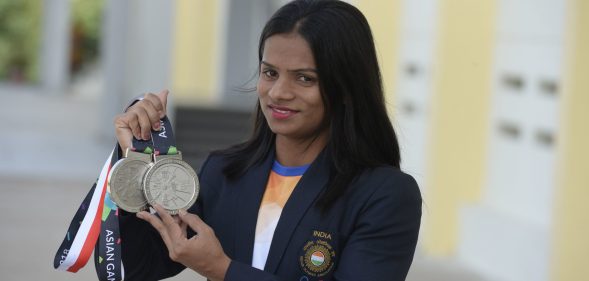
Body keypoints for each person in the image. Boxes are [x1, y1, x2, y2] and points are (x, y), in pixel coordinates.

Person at [112, 0, 422, 280]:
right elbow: (141, 266)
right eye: (270, 73)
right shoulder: (225, 171)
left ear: (345, 88)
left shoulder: (385, 195)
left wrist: (223, 270)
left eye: (305, 78)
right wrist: (135, 160)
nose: (278, 93)